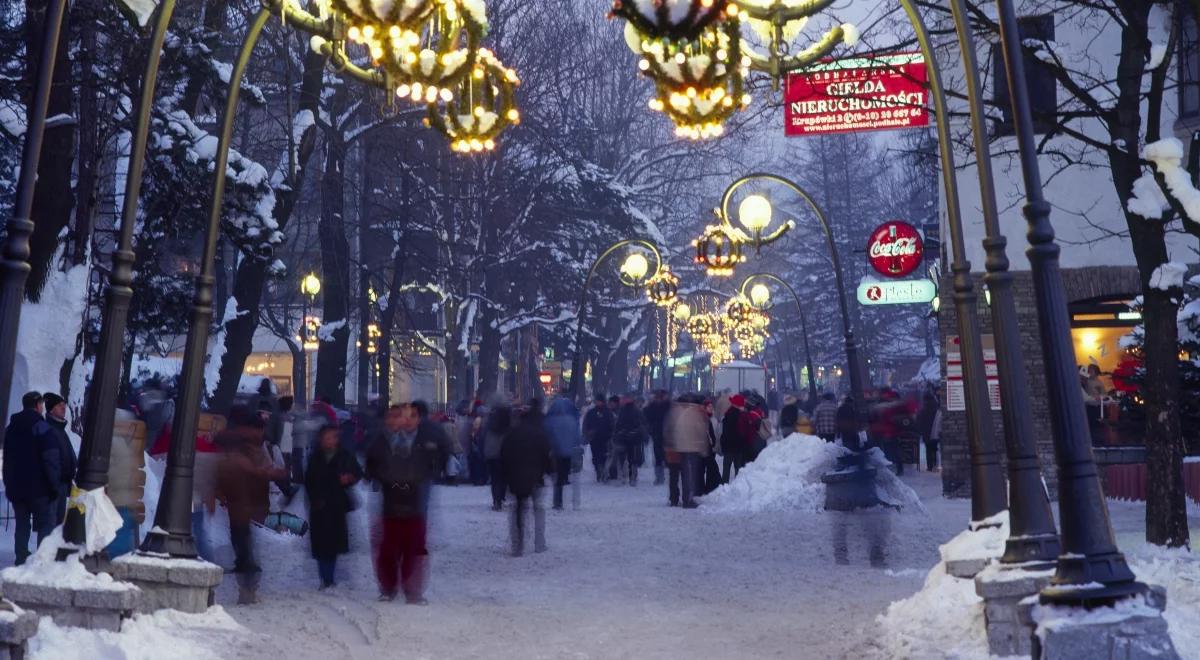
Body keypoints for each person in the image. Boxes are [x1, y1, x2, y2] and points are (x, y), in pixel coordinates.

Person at [364, 404, 446, 603]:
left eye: (409, 416)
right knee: (389, 547)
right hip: (391, 501)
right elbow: (373, 464)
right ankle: (389, 587)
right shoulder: (384, 440)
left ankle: (412, 589)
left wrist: (418, 477)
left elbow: (432, 462)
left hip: (413, 500)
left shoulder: (422, 440)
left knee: (413, 547)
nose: (403, 421)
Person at [215, 410, 286, 604]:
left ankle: (248, 587)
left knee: (246, 546)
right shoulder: (236, 446)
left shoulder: (257, 447)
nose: (260, 434)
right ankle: (247, 588)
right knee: (245, 547)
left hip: (251, 504)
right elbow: (229, 468)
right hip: (242, 504)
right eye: (258, 430)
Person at [305, 424, 362, 589]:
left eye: (333, 437)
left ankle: (329, 576)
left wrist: (349, 478)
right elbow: (309, 481)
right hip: (319, 506)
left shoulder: (345, 455)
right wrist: (314, 498)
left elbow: (357, 473)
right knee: (321, 544)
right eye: (327, 437)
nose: (330, 441)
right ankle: (325, 577)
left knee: (333, 544)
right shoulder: (315, 457)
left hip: (337, 505)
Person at [3, 392, 54, 565]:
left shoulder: (11, 428)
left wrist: (8, 483)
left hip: (17, 487)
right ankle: (42, 560)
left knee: (22, 524)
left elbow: (6, 458)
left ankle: (21, 557)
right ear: (38, 405)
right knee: (45, 524)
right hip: (38, 487)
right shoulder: (41, 426)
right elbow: (50, 458)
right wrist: (53, 484)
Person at [501, 402, 553, 556]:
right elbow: (547, 455)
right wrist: (549, 471)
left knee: (517, 510)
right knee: (538, 508)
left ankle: (517, 544)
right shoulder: (539, 434)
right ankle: (539, 543)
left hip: (516, 477)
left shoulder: (511, 434)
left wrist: (505, 477)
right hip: (535, 476)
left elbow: (503, 456)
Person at [664, 394, 709, 508]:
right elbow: (701, 430)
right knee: (688, 475)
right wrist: (703, 448)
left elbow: (668, 429)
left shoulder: (674, 411)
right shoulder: (695, 412)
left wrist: (668, 444)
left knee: (674, 475)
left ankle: (674, 498)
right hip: (690, 447)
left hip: (673, 446)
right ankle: (687, 500)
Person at [38, 393, 76, 525]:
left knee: (58, 523)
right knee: (50, 523)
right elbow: (50, 460)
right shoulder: (49, 429)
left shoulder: (60, 430)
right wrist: (54, 483)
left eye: (64, 405)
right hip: (52, 485)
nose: (63, 408)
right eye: (60, 406)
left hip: (62, 484)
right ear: (51, 409)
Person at [543, 396, 581, 510]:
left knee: (558, 478)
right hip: (569, 452)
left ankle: (558, 502)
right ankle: (574, 502)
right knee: (568, 475)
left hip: (556, 452)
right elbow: (577, 437)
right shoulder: (572, 420)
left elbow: (546, 435)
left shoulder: (550, 420)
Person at [483, 398, 512, 511]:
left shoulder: (489, 422)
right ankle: (501, 496)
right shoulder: (508, 422)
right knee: (503, 478)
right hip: (505, 454)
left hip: (491, 453)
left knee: (494, 478)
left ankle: (496, 500)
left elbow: (482, 437)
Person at [611, 397, 647, 486]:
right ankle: (633, 477)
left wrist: (616, 435)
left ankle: (623, 476)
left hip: (623, 437)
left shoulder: (622, 411)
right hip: (634, 438)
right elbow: (642, 424)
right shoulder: (637, 411)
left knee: (622, 458)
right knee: (633, 459)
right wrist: (643, 436)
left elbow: (618, 424)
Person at [582, 394, 614, 483]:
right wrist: (587, 433)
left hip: (605, 438)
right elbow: (586, 424)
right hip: (594, 438)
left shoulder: (607, 412)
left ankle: (604, 471)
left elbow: (612, 424)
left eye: (599, 401)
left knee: (604, 456)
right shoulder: (591, 412)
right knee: (596, 456)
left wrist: (611, 433)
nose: (598, 402)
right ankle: (598, 471)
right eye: (597, 401)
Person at [643, 390, 670, 485]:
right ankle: (659, 476)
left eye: (660, 397)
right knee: (658, 455)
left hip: (667, 434)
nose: (658, 399)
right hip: (656, 433)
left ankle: (667, 476)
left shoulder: (668, 406)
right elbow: (645, 414)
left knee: (667, 456)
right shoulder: (652, 407)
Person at [720, 394, 745, 482]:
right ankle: (738, 486)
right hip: (737, 447)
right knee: (738, 469)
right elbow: (740, 432)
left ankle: (723, 486)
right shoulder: (740, 416)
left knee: (726, 470)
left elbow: (725, 432)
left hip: (728, 447)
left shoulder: (727, 413)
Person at [915, 390, 940, 472]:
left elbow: (919, 421)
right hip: (935, 430)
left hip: (926, 432)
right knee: (934, 448)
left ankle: (930, 466)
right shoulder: (936, 407)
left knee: (928, 449)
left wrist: (919, 431)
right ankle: (935, 465)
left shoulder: (923, 409)